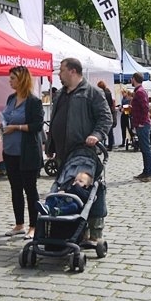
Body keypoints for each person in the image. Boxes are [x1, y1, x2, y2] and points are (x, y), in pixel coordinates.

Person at [46, 58, 112, 240]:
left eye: (61, 71)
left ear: (73, 71)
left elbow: (106, 118)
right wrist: (50, 144)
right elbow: (55, 121)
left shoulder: (92, 93)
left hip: (85, 153)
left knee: (88, 190)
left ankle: (94, 232)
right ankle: (74, 230)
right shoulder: (60, 94)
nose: (58, 74)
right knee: (65, 190)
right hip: (63, 154)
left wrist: (97, 135)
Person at [1, 66, 44, 240]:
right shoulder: (11, 98)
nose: (9, 81)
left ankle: (34, 226)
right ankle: (19, 224)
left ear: (22, 80)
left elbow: (37, 126)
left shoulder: (33, 101)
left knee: (30, 190)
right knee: (15, 189)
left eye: (13, 78)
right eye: (9, 78)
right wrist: (2, 124)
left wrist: (16, 127)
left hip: (27, 152)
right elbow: (6, 116)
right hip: (10, 151)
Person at [130, 72, 151, 181]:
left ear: (134, 79)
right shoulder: (139, 91)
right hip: (141, 123)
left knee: (146, 149)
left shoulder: (140, 92)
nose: (130, 80)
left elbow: (145, 108)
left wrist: (141, 122)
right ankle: (146, 171)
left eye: (131, 79)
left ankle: (150, 173)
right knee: (144, 149)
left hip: (143, 124)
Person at [97, 80, 117, 150]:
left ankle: (102, 145)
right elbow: (111, 104)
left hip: (103, 112)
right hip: (109, 112)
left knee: (102, 129)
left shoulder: (102, 94)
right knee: (110, 130)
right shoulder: (108, 93)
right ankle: (110, 145)